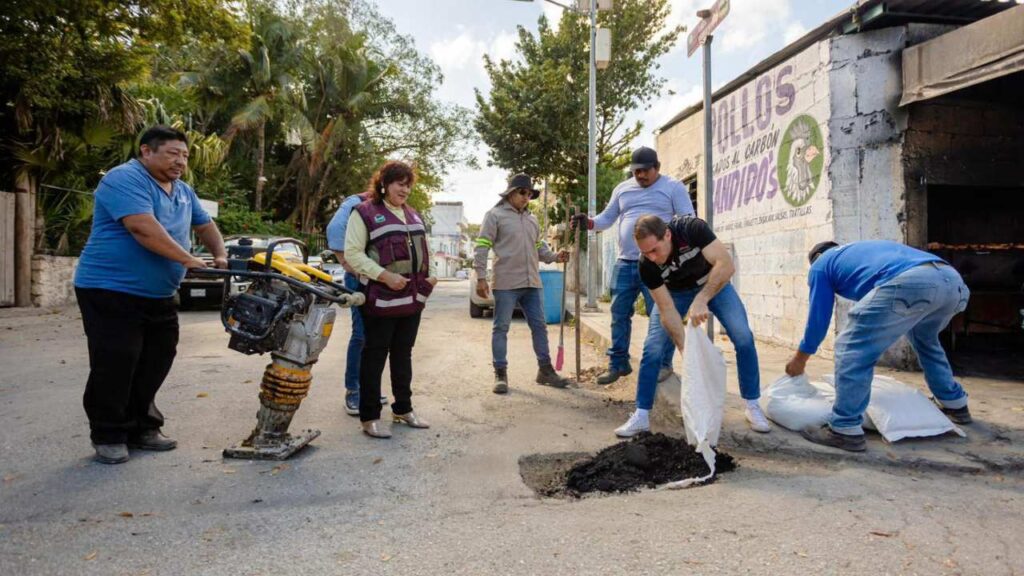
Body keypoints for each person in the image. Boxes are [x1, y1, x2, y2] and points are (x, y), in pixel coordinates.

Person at [73, 125, 227, 464]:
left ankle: (142, 427)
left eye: (185, 156)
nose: (180, 162)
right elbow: (142, 227)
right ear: (146, 151)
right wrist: (188, 259)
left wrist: (220, 254)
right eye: (172, 153)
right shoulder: (124, 179)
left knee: (157, 357)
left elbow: (205, 225)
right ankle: (109, 433)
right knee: (116, 359)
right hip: (109, 288)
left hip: (157, 293)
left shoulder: (183, 190)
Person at [786, 240, 972, 452]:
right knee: (926, 341)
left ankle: (844, 429)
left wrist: (800, 359)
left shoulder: (821, 264)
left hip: (913, 282)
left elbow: (818, 320)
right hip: (952, 283)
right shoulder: (862, 252)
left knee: (851, 347)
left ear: (816, 257)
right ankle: (955, 404)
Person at [613, 215, 771, 438]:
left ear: (667, 234)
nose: (652, 257)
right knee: (653, 347)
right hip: (675, 294)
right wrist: (686, 350)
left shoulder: (691, 229)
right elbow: (667, 309)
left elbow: (725, 265)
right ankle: (641, 414)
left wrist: (702, 298)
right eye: (646, 252)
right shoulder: (646, 264)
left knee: (743, 336)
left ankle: (753, 404)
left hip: (713, 284)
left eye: (655, 250)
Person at [573, 147, 694, 386]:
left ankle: (662, 364)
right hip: (626, 262)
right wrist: (587, 222)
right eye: (636, 171)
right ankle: (618, 363)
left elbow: (689, 221)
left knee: (661, 316)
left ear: (657, 167)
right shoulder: (622, 189)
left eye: (645, 171)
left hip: (659, 264)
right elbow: (606, 219)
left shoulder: (673, 188)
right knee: (619, 314)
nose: (640, 176)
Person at [344, 160, 437, 439]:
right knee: (374, 355)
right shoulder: (364, 212)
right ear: (384, 184)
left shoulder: (414, 215)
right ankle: (369, 416)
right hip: (380, 298)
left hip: (411, 300)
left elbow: (425, 250)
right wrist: (384, 276)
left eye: (408, 184)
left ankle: (403, 409)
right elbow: (353, 254)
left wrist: (431, 277)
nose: (405, 189)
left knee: (403, 354)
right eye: (399, 183)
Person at [474, 173, 571, 394]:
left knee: (539, 327)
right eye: (522, 192)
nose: (526, 197)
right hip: (506, 282)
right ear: (510, 192)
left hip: (532, 283)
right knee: (501, 328)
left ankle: (545, 370)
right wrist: (480, 276)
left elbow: (539, 249)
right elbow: (481, 246)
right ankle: (501, 374)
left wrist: (556, 257)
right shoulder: (495, 215)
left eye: (529, 194)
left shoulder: (532, 219)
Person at [326, 190, 385, 416]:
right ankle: (354, 391)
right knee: (361, 335)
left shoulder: (391, 207)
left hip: (380, 278)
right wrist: (345, 261)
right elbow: (334, 229)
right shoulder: (358, 202)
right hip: (360, 277)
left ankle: (370, 389)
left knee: (378, 337)